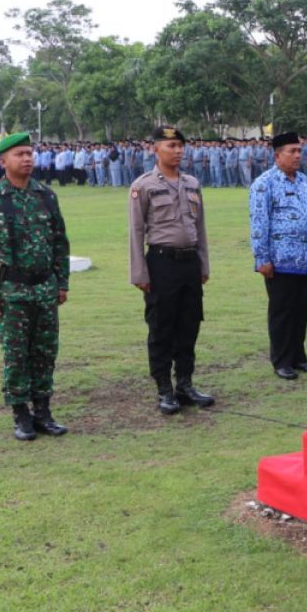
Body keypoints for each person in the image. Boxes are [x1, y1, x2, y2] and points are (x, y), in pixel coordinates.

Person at [0, 132, 71, 441]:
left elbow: (59, 242)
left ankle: (43, 411)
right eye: (19, 154)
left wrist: (62, 282)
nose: (27, 158)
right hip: (11, 293)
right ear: (3, 161)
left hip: (44, 290)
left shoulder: (46, 195)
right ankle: (21, 414)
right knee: (16, 355)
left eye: (29, 153)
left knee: (44, 353)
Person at [128, 125, 215, 414]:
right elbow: (136, 232)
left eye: (180, 146)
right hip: (161, 264)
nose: (177, 151)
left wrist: (203, 263)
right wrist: (139, 273)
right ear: (155, 148)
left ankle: (186, 384)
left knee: (189, 324)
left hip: (189, 263)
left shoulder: (192, 183)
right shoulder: (144, 185)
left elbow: (200, 227)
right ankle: (164, 388)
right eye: (171, 146)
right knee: (162, 327)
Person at [249, 131, 307, 380]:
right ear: (277, 155)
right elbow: (259, 223)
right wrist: (262, 259)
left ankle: (299, 357)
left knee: (302, 310)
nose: (297, 155)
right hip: (280, 262)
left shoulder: (304, 181)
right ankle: (282, 361)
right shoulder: (264, 184)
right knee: (282, 312)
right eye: (292, 151)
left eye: (299, 151)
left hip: (306, 260)